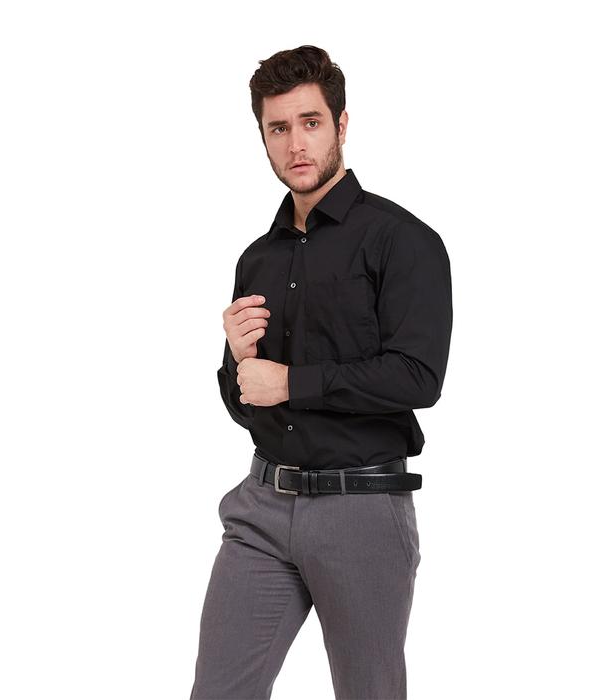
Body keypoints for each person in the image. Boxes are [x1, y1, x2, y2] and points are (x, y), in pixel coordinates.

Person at [189, 45, 453, 700]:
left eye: (310, 122)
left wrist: (291, 383)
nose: (295, 143)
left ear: (341, 124)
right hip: (261, 508)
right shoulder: (257, 258)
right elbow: (245, 400)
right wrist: (237, 361)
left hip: (360, 509)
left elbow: (417, 377)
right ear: (263, 137)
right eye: (278, 128)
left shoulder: (402, 240)